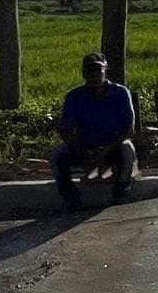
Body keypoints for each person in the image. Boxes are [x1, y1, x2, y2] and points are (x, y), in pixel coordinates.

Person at [52, 52, 137, 210]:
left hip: (113, 146)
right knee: (57, 155)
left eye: (98, 70)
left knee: (128, 151)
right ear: (84, 74)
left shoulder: (120, 93)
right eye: (90, 71)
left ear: (106, 71)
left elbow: (129, 129)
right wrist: (80, 150)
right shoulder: (74, 97)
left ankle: (120, 193)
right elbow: (66, 129)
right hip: (85, 147)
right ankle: (71, 198)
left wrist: (105, 151)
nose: (94, 75)